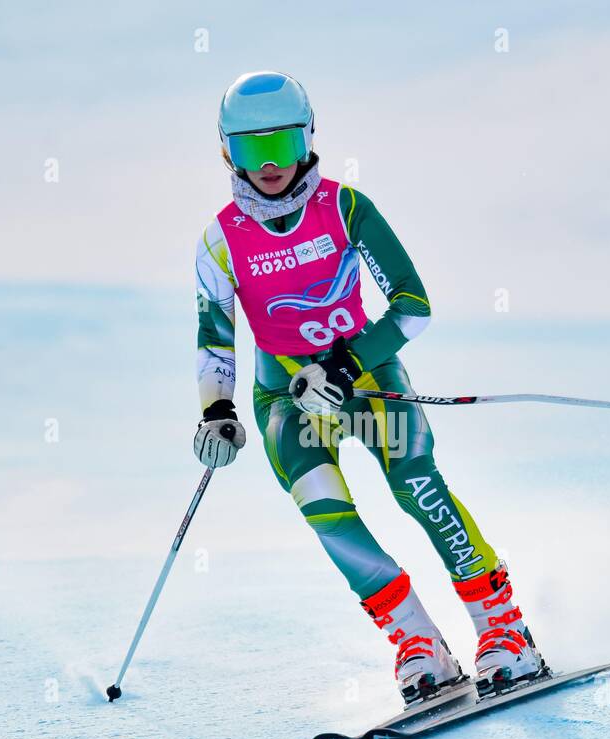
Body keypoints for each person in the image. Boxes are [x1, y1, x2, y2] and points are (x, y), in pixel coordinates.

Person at [193, 71, 543, 703]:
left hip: (368, 381)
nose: (270, 165)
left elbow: (413, 307)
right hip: (285, 401)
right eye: (250, 150)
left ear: (308, 137)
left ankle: (504, 627)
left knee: (417, 487)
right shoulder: (221, 242)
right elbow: (215, 335)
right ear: (227, 152)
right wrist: (216, 410)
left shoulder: (346, 209)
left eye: (283, 144)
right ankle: (417, 641)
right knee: (329, 517)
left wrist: (348, 368)